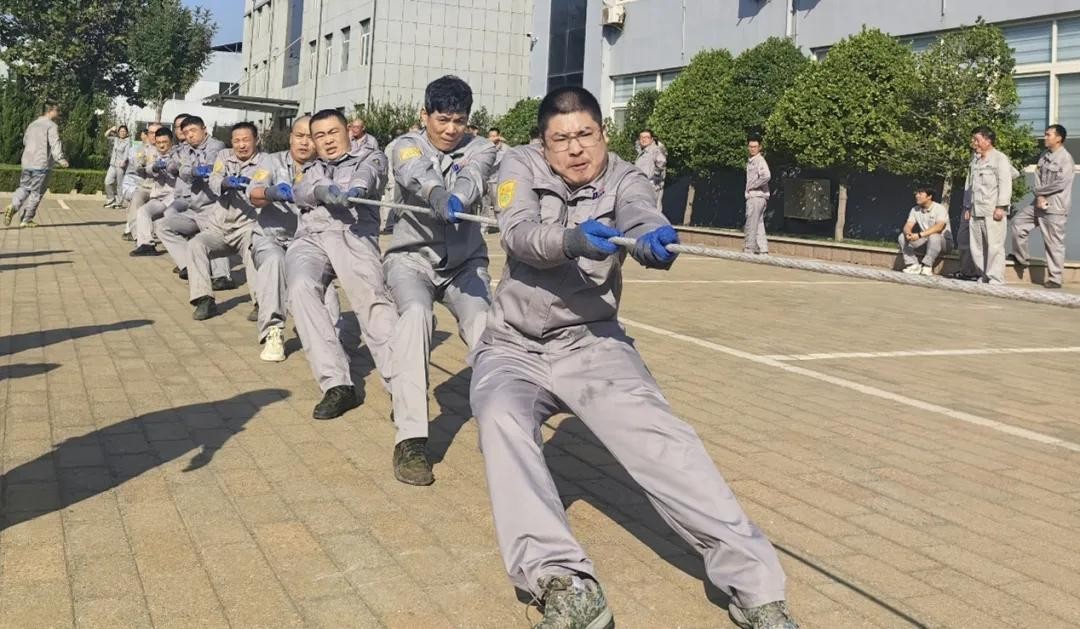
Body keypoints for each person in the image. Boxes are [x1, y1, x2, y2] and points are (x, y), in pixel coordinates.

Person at [471, 86, 796, 629]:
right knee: (500, 420)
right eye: (561, 139)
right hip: (513, 345)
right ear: (543, 144)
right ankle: (564, 583)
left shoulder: (627, 176)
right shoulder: (518, 163)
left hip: (592, 343)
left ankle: (757, 588)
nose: (576, 149)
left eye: (586, 135)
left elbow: (640, 210)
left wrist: (652, 236)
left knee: (664, 442)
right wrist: (572, 240)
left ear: (603, 134)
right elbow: (519, 232)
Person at [384, 75, 496, 486]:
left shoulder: (482, 147)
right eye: (443, 119)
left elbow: (475, 175)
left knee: (486, 325)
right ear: (425, 115)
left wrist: (459, 198)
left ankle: (502, 422)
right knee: (416, 316)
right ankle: (411, 439)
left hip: (465, 263)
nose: (451, 129)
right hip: (412, 259)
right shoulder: (404, 144)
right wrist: (434, 193)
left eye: (459, 120)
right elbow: (413, 169)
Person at [286, 108, 398, 420]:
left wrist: (355, 190)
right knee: (300, 288)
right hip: (311, 237)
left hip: (352, 235)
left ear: (348, 131)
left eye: (333, 132)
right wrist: (322, 190)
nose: (327, 140)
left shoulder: (371, 156)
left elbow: (370, 175)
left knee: (372, 301)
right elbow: (300, 191)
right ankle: (337, 384)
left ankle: (403, 388)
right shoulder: (311, 168)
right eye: (319, 135)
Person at [248, 116, 342, 362]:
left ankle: (328, 339)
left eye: (311, 137)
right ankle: (273, 331)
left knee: (327, 294)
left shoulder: (326, 168)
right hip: (271, 237)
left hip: (308, 243)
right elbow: (254, 195)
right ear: (290, 138)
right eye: (299, 136)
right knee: (274, 262)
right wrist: (271, 192)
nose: (304, 142)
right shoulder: (272, 161)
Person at [186, 122, 266, 320]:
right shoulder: (224, 156)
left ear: (256, 140)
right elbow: (214, 179)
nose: (241, 145)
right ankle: (204, 299)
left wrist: (249, 186)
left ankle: (261, 303)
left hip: (247, 226)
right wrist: (224, 182)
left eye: (246, 140)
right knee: (196, 244)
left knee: (253, 249)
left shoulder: (266, 161)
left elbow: (263, 185)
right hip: (219, 227)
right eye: (237, 140)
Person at [157, 115, 233, 286]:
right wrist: (191, 170)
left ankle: (223, 276)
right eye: (186, 133)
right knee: (163, 226)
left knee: (213, 235)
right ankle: (189, 265)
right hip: (195, 208)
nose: (190, 135)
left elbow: (210, 166)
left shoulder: (216, 146)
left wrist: (188, 170)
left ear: (204, 129)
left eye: (193, 130)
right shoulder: (185, 150)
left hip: (215, 206)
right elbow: (179, 169)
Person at [1009, 124, 1075, 289]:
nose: (1045, 137)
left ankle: (1055, 279)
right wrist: (1039, 196)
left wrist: (1040, 193)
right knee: (1018, 223)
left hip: (1055, 207)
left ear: (1058, 138)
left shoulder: (1065, 159)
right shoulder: (1045, 155)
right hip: (1038, 203)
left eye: (1048, 135)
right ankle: (1021, 258)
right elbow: (1038, 176)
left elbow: (1061, 183)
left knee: (1053, 243)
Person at [4, 101, 68, 228]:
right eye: (57, 110)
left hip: (27, 162)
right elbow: (55, 143)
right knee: (36, 193)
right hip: (41, 164)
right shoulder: (51, 126)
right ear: (51, 110)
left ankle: (13, 206)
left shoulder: (32, 124)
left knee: (24, 187)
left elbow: (25, 141)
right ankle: (26, 219)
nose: (59, 113)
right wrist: (61, 159)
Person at [963, 126, 1013, 285]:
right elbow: (970, 186)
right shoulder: (975, 160)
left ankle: (995, 278)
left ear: (988, 140)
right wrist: (967, 206)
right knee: (977, 246)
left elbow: (1005, 183)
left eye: (977, 140)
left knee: (994, 246)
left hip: (992, 210)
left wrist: (1001, 206)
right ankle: (983, 275)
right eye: (973, 139)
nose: (974, 143)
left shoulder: (1000, 158)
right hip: (976, 209)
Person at [129, 127, 179, 257]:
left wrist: (172, 167)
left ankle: (182, 252)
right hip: (159, 196)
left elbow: (179, 168)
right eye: (159, 142)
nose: (161, 145)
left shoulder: (179, 153)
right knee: (142, 211)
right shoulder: (153, 152)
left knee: (167, 218)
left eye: (165, 142)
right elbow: (147, 169)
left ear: (171, 142)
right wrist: (154, 168)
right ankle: (146, 244)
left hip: (175, 196)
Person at [898, 188, 952, 275]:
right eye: (916, 193)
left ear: (929, 196)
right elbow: (908, 225)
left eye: (920, 193)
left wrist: (919, 235)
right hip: (925, 241)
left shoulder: (940, 208)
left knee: (934, 236)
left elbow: (939, 227)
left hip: (944, 243)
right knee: (902, 236)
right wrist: (908, 233)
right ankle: (913, 265)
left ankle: (927, 266)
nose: (917, 196)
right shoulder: (915, 209)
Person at [123, 125, 161, 241]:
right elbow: (138, 166)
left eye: (156, 133)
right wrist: (142, 165)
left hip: (162, 187)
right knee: (136, 199)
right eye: (151, 133)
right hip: (145, 185)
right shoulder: (141, 149)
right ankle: (138, 236)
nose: (153, 136)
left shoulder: (167, 148)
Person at [744, 135, 771, 255]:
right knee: (759, 223)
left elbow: (766, 176)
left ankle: (749, 249)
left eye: (755, 146)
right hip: (757, 197)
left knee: (751, 223)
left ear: (760, 147)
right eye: (750, 146)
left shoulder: (759, 160)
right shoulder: (751, 161)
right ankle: (763, 249)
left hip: (756, 197)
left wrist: (753, 185)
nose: (752, 149)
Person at [482, 127, 508, 230]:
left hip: (497, 182)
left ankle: (502, 227)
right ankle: (484, 227)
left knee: (498, 207)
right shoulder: (485, 147)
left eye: (494, 136)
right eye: (490, 136)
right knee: (484, 206)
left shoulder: (505, 149)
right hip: (485, 180)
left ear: (499, 136)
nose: (492, 138)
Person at [634, 129, 667, 209]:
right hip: (642, 187)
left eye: (646, 137)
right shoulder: (643, 151)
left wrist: (656, 178)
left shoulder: (655, 150)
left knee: (651, 211)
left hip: (650, 188)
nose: (643, 139)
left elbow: (662, 162)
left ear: (652, 139)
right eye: (641, 137)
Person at [104, 125, 132, 208]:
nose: (122, 133)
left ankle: (119, 202)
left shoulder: (128, 142)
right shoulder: (116, 139)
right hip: (113, 164)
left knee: (120, 185)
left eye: (124, 131)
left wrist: (123, 161)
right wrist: (111, 129)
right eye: (121, 131)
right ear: (118, 132)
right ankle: (111, 199)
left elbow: (127, 153)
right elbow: (106, 135)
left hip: (120, 166)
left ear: (127, 133)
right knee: (107, 182)